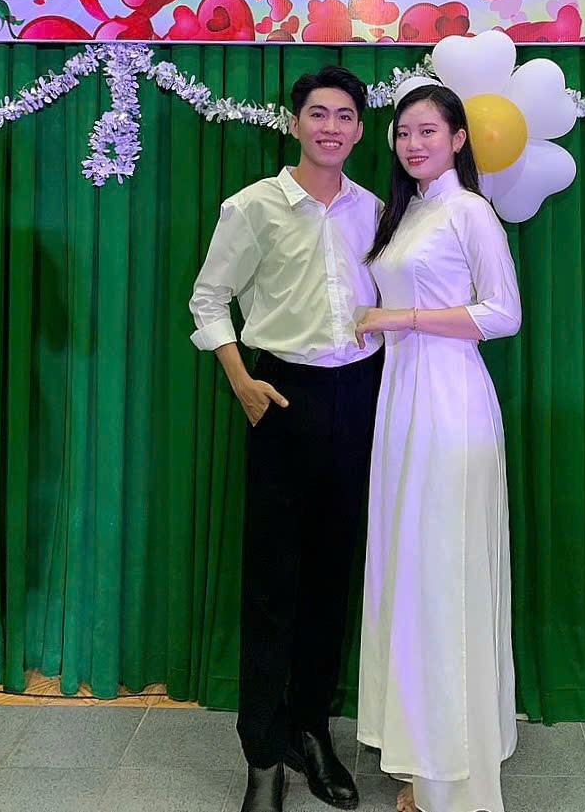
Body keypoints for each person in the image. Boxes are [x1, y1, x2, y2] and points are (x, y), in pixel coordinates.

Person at [190, 66, 383, 812]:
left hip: (358, 395)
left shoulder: (375, 210)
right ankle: (263, 754)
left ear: (360, 129)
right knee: (273, 581)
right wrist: (241, 379)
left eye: (345, 115)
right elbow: (209, 297)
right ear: (294, 122)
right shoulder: (254, 206)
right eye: (318, 114)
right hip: (280, 394)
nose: (331, 127)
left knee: (332, 578)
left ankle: (310, 729)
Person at [355, 84, 521, 812]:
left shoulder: (469, 210)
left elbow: (503, 313)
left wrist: (402, 316)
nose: (412, 143)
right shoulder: (409, 212)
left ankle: (457, 782)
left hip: (450, 402)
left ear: (458, 139)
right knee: (412, 574)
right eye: (403, 132)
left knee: (445, 577)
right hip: (402, 401)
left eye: (428, 131)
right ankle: (428, 759)